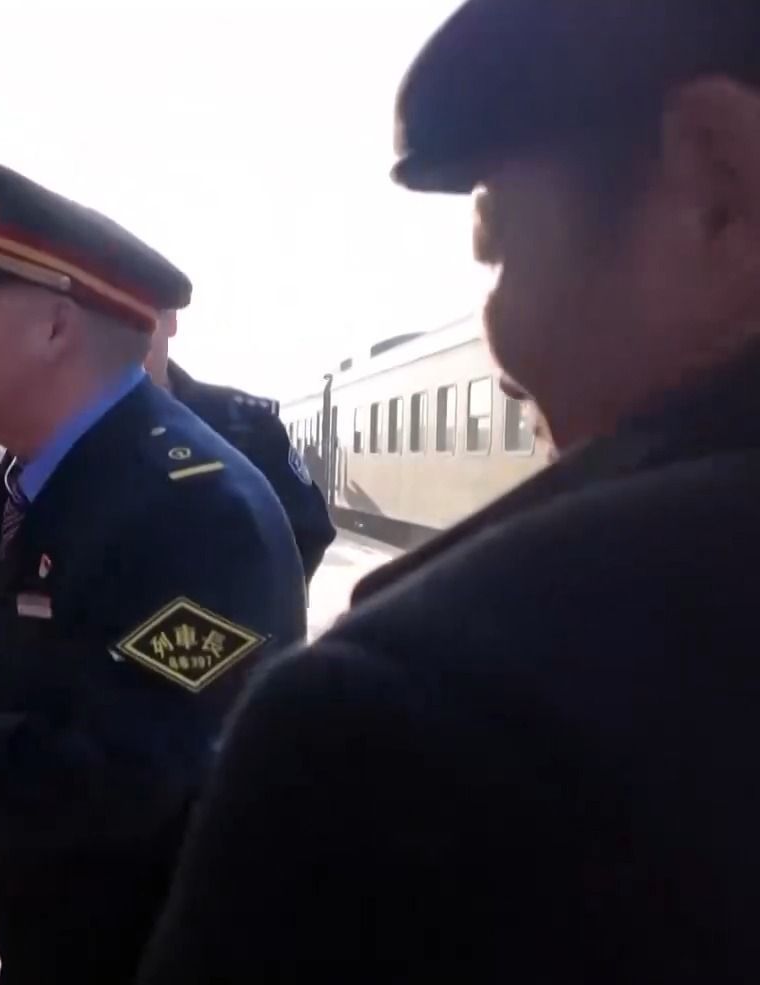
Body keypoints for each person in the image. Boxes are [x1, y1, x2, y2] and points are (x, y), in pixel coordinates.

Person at [136, 2, 760, 982]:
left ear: (716, 190)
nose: (504, 369)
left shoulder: (406, 719)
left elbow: (287, 539)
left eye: (499, 246)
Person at [0, 162, 307, 984]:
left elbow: (136, 771)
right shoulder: (53, 476)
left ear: (55, 329)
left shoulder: (197, 511)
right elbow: (25, 658)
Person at [147, 309, 338, 579]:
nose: (119, 334)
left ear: (170, 321)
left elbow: (307, 530)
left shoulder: (246, 426)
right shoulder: (81, 422)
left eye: (138, 315)